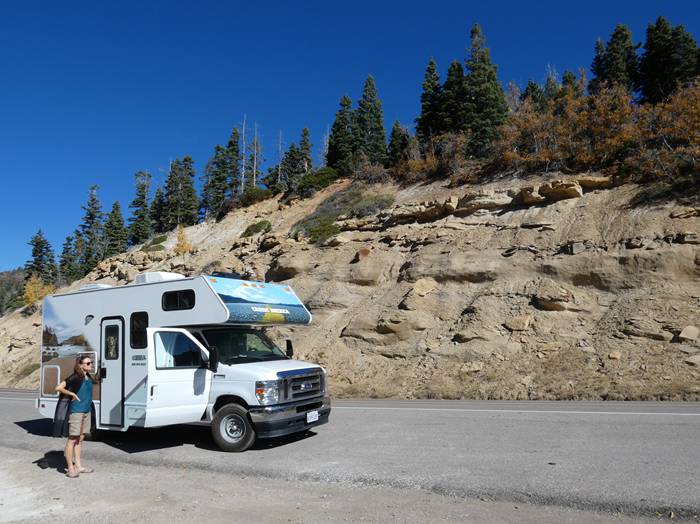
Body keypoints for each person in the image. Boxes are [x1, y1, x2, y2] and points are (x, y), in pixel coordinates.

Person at [54, 355, 96, 478]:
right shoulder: (75, 377)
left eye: (91, 362)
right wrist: (71, 393)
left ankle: (79, 466)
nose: (91, 365)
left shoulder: (88, 377)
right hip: (77, 411)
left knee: (80, 439)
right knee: (72, 439)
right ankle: (70, 469)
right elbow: (58, 387)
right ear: (80, 365)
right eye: (88, 363)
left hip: (86, 411)